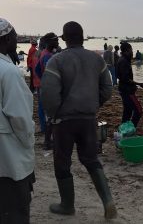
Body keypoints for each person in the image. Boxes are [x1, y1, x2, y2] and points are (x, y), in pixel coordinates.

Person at [40, 21, 117, 219]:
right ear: (83, 37)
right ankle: (108, 201)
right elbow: (108, 89)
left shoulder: (56, 61)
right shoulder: (97, 60)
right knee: (91, 159)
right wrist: (93, 104)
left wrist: (53, 114)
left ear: (64, 39)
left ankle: (67, 205)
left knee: (62, 162)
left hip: (64, 121)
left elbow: (48, 94)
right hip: (88, 119)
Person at [0, 18, 35, 224]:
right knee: (14, 212)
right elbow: (20, 119)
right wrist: (28, 143)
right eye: (14, 36)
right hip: (9, 159)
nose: (16, 39)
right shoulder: (10, 72)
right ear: (5, 39)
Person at [35, 32, 59, 150]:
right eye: (56, 40)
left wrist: (42, 81)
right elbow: (48, 73)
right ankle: (48, 142)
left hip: (45, 87)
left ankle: (48, 141)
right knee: (51, 116)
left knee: (49, 116)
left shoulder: (45, 53)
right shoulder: (48, 56)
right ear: (49, 42)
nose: (58, 42)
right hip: (49, 90)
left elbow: (37, 70)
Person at [117, 42, 143, 127]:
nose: (132, 52)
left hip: (123, 89)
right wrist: (139, 84)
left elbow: (121, 77)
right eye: (131, 50)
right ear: (127, 51)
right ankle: (130, 129)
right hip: (127, 91)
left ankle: (123, 131)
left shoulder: (123, 59)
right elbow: (125, 79)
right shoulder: (124, 62)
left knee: (127, 111)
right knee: (138, 110)